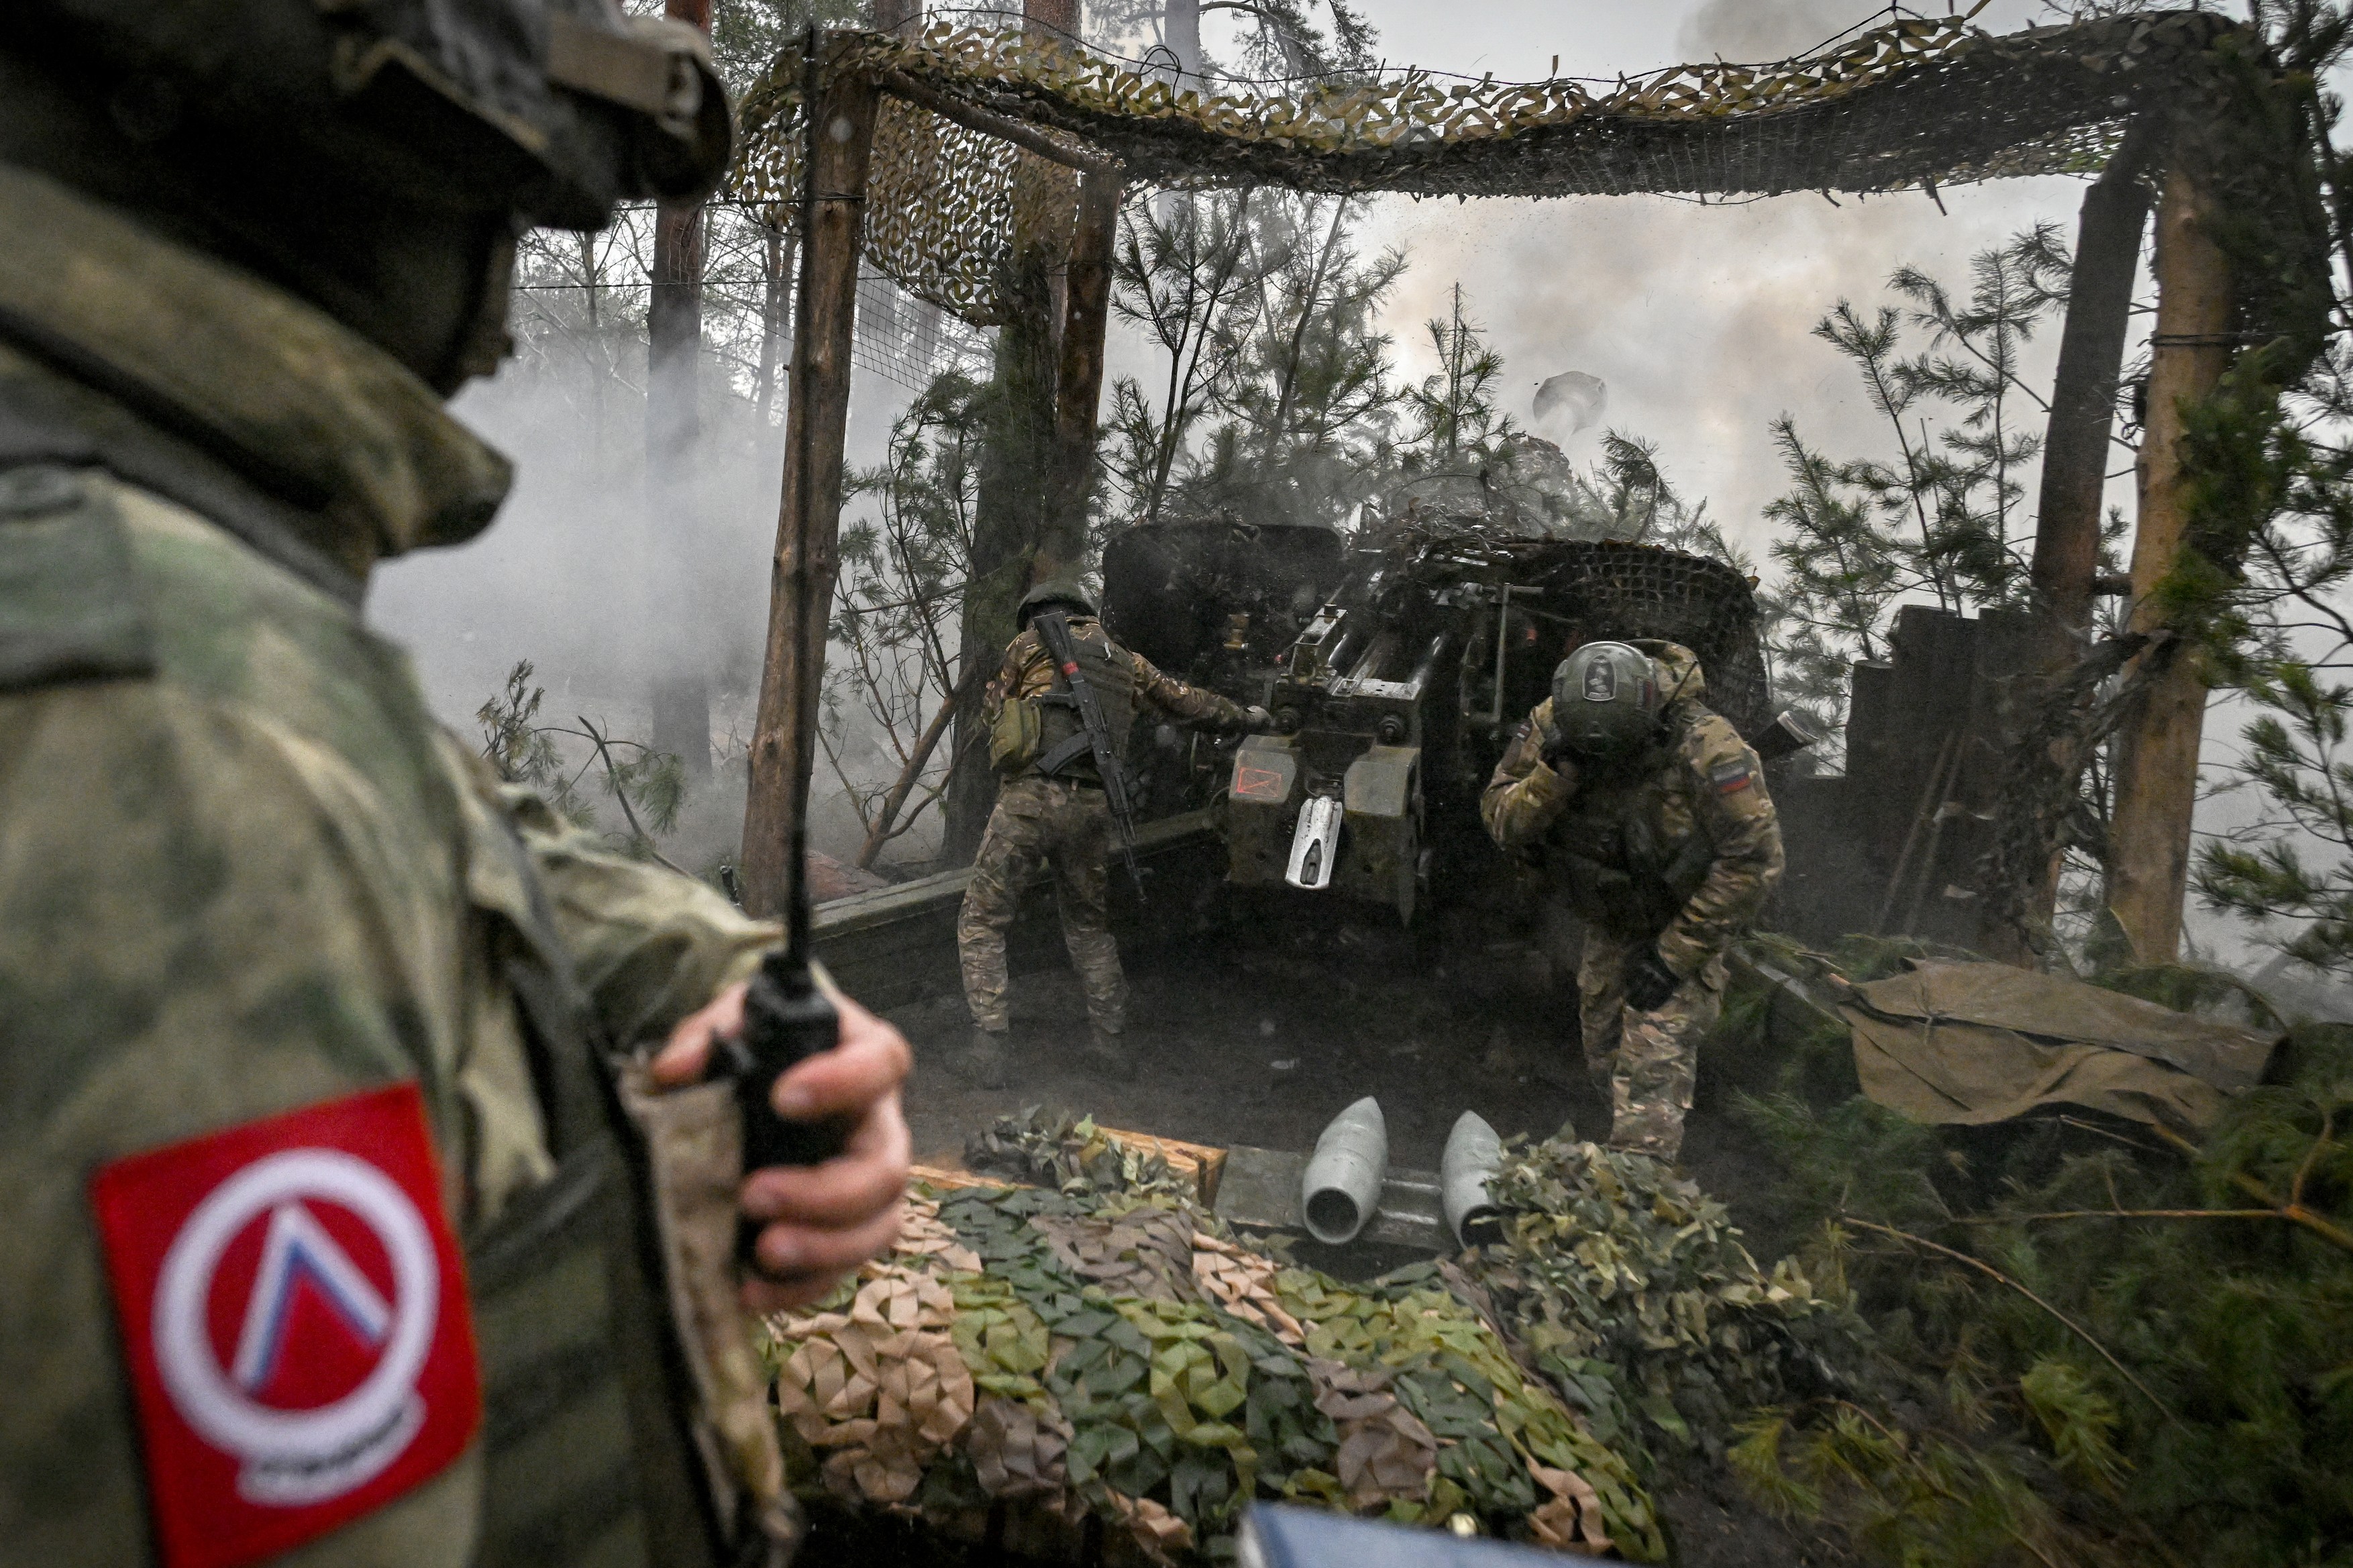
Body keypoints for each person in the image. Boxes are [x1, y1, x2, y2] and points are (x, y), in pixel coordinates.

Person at [0, 7, 908, 1567]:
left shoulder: (119, 580)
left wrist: (715, 965)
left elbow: (406, 793)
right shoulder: (174, 747)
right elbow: (243, 790)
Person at [1479, 640, 1783, 1162]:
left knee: (1646, 1096)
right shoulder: (1554, 721)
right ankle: (1627, 1177)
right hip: (1611, 922)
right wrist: (1554, 777)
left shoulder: (1708, 745)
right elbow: (1501, 820)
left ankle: (1639, 1205)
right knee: (1605, 1061)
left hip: (1683, 924)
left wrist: (1676, 955)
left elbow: (1754, 860)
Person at [957, 582, 1269, 1087]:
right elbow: (1186, 702)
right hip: (1094, 807)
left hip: (1029, 801)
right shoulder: (1126, 660)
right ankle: (1110, 1044)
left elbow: (993, 712)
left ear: (1035, 613)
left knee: (982, 920)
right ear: (1085, 612)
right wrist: (1244, 716)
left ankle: (988, 1049)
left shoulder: (1027, 644)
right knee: (1088, 927)